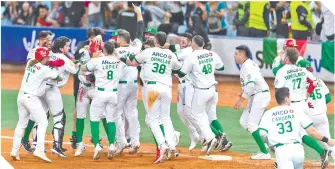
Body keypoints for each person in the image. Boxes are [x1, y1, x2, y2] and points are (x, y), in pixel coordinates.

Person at [121, 31, 181, 163]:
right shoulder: (170, 54)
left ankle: (162, 145)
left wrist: (121, 57)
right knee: (165, 118)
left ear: (155, 41)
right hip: (167, 89)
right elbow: (178, 68)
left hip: (152, 89)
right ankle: (171, 144)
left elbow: (132, 62)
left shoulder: (148, 52)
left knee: (152, 119)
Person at [274, 48, 331, 168]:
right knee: (298, 133)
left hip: (292, 105)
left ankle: (322, 152)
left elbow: (278, 91)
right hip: (304, 105)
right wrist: (307, 94)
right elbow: (315, 82)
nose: (283, 56)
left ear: (287, 59)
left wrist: (281, 105)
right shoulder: (302, 70)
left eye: (284, 55)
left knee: (295, 134)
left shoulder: (282, 71)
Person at [259, 87, 335, 169]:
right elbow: (312, 131)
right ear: (286, 99)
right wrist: (328, 140)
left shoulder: (268, 113)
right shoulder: (297, 111)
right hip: (298, 151)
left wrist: (270, 145)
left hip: (282, 151)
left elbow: (262, 133)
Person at [10, 47, 62, 163]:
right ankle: (39, 150)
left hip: (21, 97)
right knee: (43, 122)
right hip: (31, 99)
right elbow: (59, 78)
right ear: (43, 57)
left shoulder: (30, 62)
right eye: (47, 56)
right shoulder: (44, 69)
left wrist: (51, 64)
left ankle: (14, 150)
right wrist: (54, 66)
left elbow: (43, 65)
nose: (49, 58)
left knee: (21, 124)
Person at [178, 35, 226, 156]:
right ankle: (212, 137)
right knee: (203, 115)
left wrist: (173, 68)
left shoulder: (192, 56)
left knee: (194, 114)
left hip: (201, 91)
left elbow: (182, 73)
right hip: (212, 90)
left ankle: (210, 137)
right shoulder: (212, 54)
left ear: (193, 44)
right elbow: (221, 67)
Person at [80, 41, 125, 160]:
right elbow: (124, 59)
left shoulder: (98, 60)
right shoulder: (118, 61)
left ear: (104, 50)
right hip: (113, 94)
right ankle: (111, 145)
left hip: (100, 93)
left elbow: (83, 68)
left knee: (94, 120)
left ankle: (97, 146)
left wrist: (93, 58)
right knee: (111, 120)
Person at [113, 4, 144, 155]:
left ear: (120, 39)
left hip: (121, 87)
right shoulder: (135, 47)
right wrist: (139, 13)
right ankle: (135, 140)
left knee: (117, 113)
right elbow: (140, 32)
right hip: (133, 85)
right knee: (132, 112)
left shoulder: (115, 51)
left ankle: (122, 141)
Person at [43, 36, 80, 157]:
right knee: (59, 118)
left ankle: (36, 144)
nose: (68, 47)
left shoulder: (49, 54)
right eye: (67, 46)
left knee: (41, 117)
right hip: (52, 90)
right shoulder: (63, 58)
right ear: (61, 47)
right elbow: (75, 70)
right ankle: (56, 146)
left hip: (41, 88)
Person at [233, 45, 271, 160]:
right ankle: (266, 142)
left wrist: (241, 100)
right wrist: (243, 93)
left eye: (237, 54)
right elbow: (250, 85)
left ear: (243, 55)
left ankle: (265, 153)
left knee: (252, 124)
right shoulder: (246, 65)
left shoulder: (247, 66)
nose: (235, 56)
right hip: (256, 95)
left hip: (260, 95)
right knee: (244, 121)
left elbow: (250, 86)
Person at [21, 30, 55, 152]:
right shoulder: (33, 51)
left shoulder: (50, 52)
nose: (50, 42)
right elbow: (32, 66)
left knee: (43, 114)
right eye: (48, 40)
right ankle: (29, 140)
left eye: (51, 40)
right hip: (33, 88)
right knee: (33, 115)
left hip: (42, 87)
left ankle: (34, 141)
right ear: (41, 39)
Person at [70, 27, 105, 149]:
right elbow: (77, 58)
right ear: (91, 38)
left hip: (96, 83)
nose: (101, 40)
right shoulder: (82, 45)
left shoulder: (101, 46)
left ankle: (95, 136)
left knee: (99, 110)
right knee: (78, 108)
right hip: (82, 82)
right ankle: (75, 136)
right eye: (98, 37)